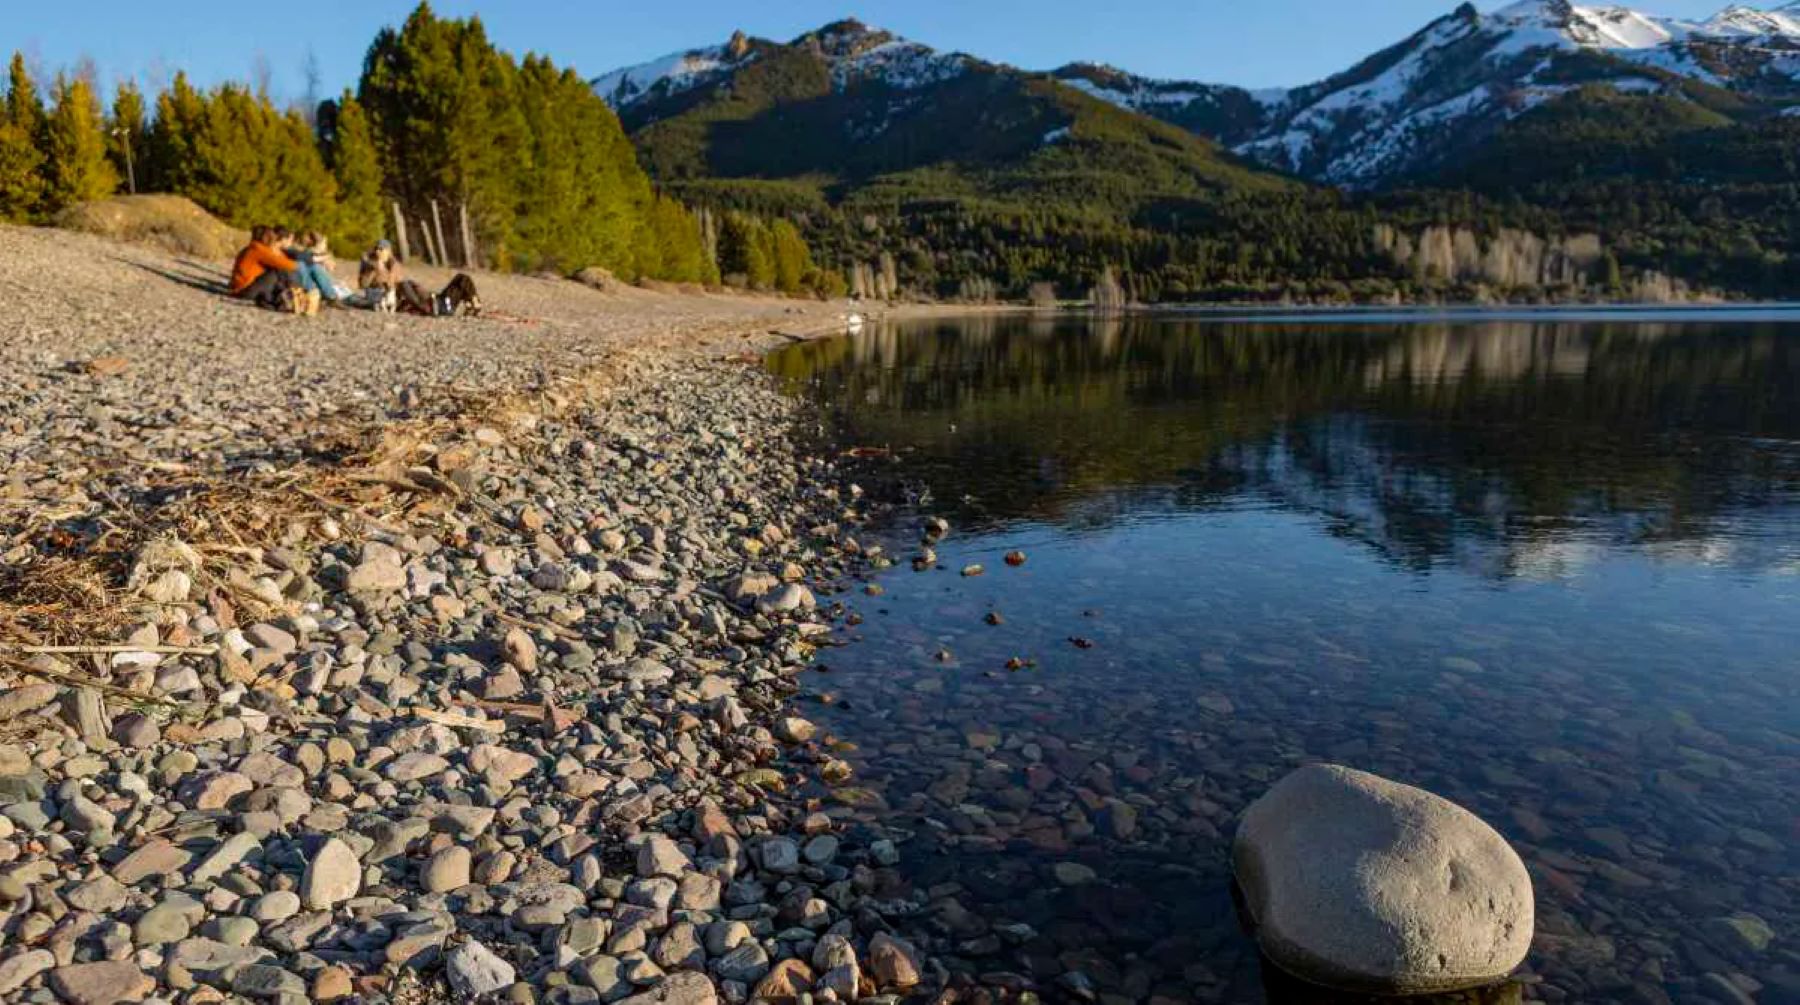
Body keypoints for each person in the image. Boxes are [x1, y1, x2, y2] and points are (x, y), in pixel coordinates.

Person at [231, 225, 309, 312]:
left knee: (280, 272)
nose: (274, 238)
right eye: (272, 236)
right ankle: (299, 294)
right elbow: (288, 265)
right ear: (266, 237)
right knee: (278, 271)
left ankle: (295, 294)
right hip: (244, 291)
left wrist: (277, 252)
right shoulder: (259, 249)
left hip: (242, 289)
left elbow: (282, 261)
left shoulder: (253, 247)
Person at [279, 228, 344, 306]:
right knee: (306, 264)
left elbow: (331, 266)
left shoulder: (294, 249)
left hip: (306, 274)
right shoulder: (287, 249)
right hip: (293, 276)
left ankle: (330, 296)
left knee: (313, 266)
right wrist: (320, 257)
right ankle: (320, 295)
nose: (291, 241)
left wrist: (321, 257)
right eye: (290, 239)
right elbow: (300, 256)